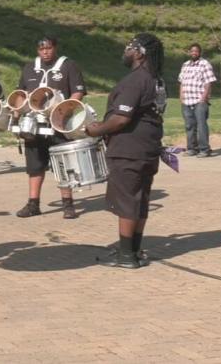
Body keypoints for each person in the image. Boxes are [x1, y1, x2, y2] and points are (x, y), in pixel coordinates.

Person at [86, 33, 166, 269]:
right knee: (139, 201)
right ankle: (134, 250)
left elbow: (121, 119)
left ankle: (126, 256)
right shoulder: (156, 79)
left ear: (140, 52)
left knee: (128, 202)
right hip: (148, 148)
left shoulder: (136, 80)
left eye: (129, 47)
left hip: (130, 149)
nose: (125, 51)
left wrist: (96, 130)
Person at [15, 36, 86, 219]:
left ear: (55, 47)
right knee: (34, 166)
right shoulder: (30, 67)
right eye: (41, 49)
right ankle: (33, 204)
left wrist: (64, 110)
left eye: (48, 48)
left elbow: (78, 91)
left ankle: (68, 205)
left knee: (62, 164)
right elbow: (20, 94)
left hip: (59, 124)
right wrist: (17, 114)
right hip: (34, 124)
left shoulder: (68, 66)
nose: (45, 51)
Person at [178, 43, 216, 157]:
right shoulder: (185, 65)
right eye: (192, 51)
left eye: (196, 51)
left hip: (199, 100)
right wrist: (181, 96)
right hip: (187, 100)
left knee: (201, 125)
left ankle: (204, 149)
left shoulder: (205, 64)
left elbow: (209, 82)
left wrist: (204, 98)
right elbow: (181, 82)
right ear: (189, 52)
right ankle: (191, 149)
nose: (194, 53)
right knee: (189, 125)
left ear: (200, 52)